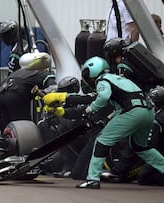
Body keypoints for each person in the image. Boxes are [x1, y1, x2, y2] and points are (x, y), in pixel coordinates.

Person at [44, 56, 164, 189]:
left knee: (102, 140)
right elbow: (101, 98)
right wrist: (65, 103)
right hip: (148, 112)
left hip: (133, 111)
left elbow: (102, 97)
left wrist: (90, 109)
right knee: (142, 148)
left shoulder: (103, 80)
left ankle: (92, 179)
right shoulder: (119, 79)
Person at [0, 55, 56, 133]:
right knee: (24, 129)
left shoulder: (19, 71)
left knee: (6, 126)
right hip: (15, 96)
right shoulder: (43, 73)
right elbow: (53, 88)